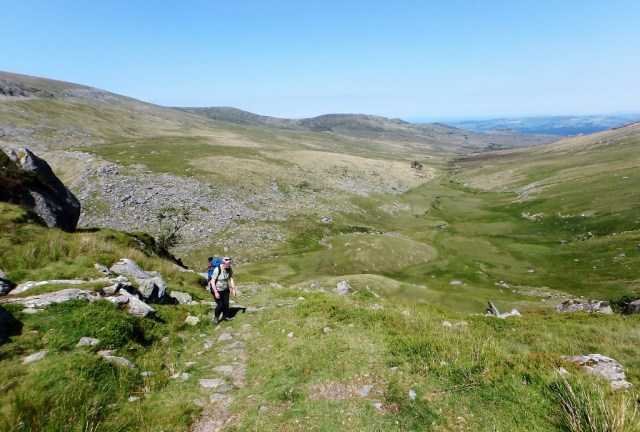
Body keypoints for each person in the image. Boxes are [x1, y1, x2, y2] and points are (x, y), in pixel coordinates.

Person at [210, 257, 237, 324]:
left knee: (226, 304)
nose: (229, 265)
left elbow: (230, 278)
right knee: (220, 305)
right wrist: (216, 292)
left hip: (225, 289)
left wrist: (233, 289)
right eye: (227, 264)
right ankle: (216, 317)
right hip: (217, 289)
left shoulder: (229, 269)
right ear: (223, 263)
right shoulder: (217, 269)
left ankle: (225, 317)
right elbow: (212, 282)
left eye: (230, 263)